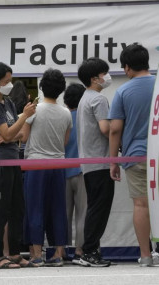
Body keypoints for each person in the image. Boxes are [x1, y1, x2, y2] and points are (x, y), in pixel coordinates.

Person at [0, 62, 36, 269]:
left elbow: (19, 134)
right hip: (0, 163)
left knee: (17, 208)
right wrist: (23, 118)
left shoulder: (8, 102)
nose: (9, 85)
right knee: (0, 210)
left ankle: (14, 253)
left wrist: (9, 136)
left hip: (13, 160)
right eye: (5, 82)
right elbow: (8, 132)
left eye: (10, 80)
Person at [108, 43, 156, 267]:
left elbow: (115, 129)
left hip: (136, 156)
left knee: (141, 205)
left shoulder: (123, 91)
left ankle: (146, 256)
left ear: (127, 67)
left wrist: (113, 161)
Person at [21, 68, 71, 267]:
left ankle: (36, 254)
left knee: (35, 208)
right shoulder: (66, 113)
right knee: (58, 208)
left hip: (36, 164)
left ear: (41, 87)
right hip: (58, 163)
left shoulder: (34, 110)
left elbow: (23, 137)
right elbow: (65, 142)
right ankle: (58, 252)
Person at [76, 57, 114, 267]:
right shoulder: (99, 99)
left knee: (94, 207)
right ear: (94, 78)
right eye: (104, 74)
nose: (106, 77)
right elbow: (105, 129)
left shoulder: (85, 98)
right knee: (99, 208)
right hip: (100, 161)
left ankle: (90, 250)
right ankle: (89, 251)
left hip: (89, 162)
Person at [63, 83, 87, 264]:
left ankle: (61, 249)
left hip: (62, 171)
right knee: (82, 213)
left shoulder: (63, 118)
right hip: (82, 170)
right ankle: (80, 249)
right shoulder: (85, 117)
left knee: (64, 213)